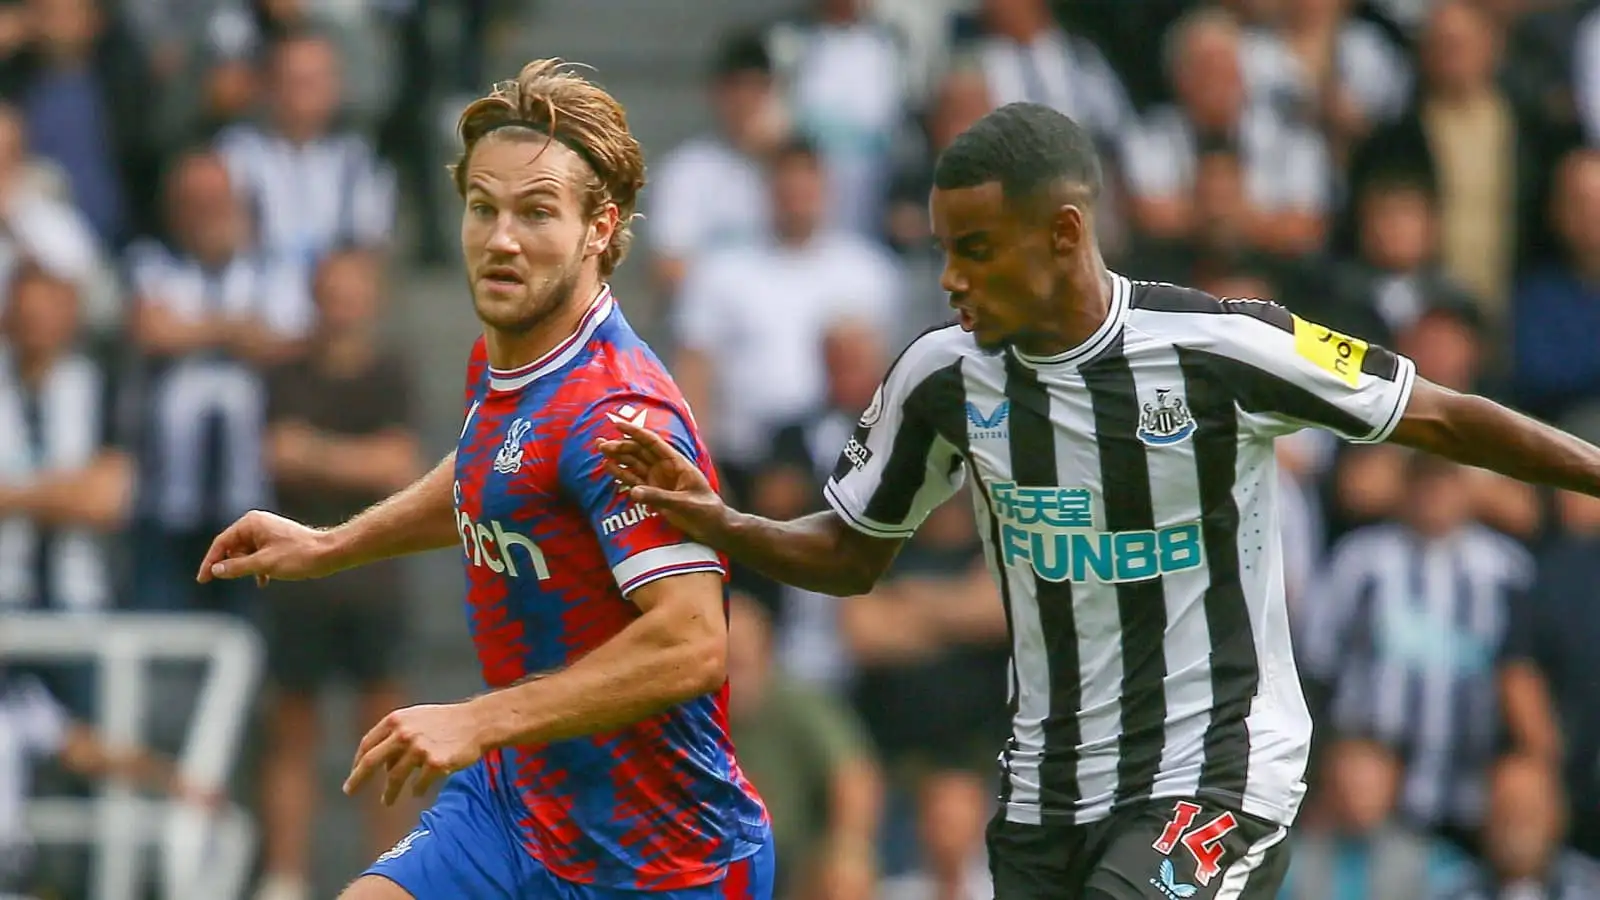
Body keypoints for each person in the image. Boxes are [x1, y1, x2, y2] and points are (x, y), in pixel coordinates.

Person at [595, 101, 1600, 900]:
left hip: (1214, 772)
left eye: (975, 250)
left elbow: (1440, 415)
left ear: (1063, 234)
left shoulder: (1220, 348)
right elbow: (853, 554)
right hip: (1046, 791)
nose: (949, 278)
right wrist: (720, 522)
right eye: (943, 249)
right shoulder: (941, 379)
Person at [195, 59, 774, 900]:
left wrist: (478, 719)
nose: (501, 237)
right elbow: (492, 475)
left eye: (537, 211)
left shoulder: (619, 414)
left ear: (598, 228)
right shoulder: (511, 359)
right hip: (516, 805)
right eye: (482, 208)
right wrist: (332, 544)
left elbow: (693, 641)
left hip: (658, 856)